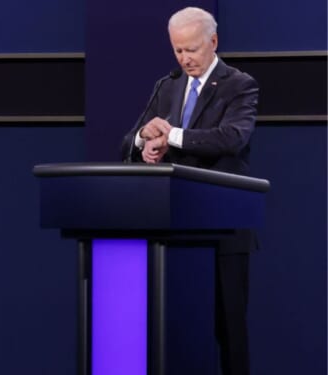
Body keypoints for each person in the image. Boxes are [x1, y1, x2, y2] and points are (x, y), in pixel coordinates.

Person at [120, 7, 258, 375]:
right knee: (174, 331)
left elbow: (232, 138)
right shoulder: (167, 86)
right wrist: (144, 140)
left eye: (192, 50)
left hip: (223, 229)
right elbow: (129, 142)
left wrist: (173, 137)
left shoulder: (239, 85)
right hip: (173, 229)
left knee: (229, 332)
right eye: (178, 51)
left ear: (213, 42)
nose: (185, 59)